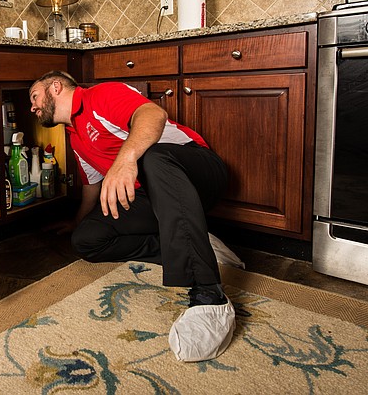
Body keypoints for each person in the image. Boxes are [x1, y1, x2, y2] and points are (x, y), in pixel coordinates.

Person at [29, 70, 235, 362]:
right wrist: (77, 222)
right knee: (86, 240)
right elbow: (92, 185)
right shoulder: (74, 136)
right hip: (153, 198)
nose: (33, 107)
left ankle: (209, 295)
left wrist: (124, 161)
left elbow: (153, 114)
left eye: (35, 97)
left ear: (56, 87)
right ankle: (197, 243)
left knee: (152, 156)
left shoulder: (99, 95)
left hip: (198, 173)